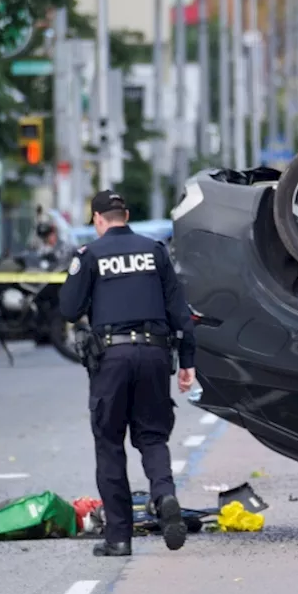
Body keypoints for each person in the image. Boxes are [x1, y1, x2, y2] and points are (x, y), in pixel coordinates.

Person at [58, 190, 197, 558]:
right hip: (154, 354)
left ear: (98, 220)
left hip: (112, 357)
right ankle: (164, 495)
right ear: (127, 214)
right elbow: (180, 312)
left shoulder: (90, 255)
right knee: (152, 437)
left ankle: (118, 538)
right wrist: (187, 362)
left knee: (109, 443)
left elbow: (69, 309)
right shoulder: (155, 252)